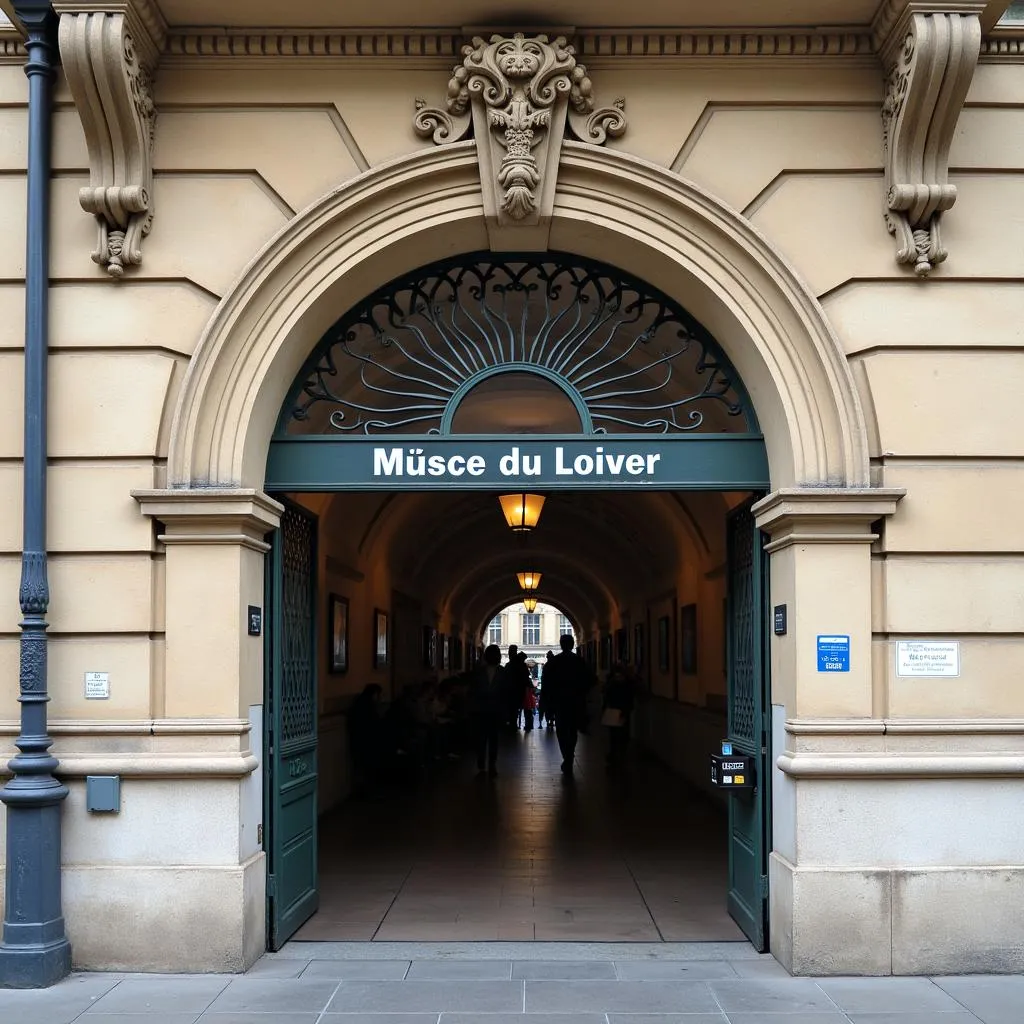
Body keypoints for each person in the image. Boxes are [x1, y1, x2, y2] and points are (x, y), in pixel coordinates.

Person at [542, 634, 595, 777]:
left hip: (559, 702)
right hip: (576, 701)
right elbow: (590, 680)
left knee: (561, 730)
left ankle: (567, 755)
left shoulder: (554, 662)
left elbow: (546, 683)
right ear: (572, 645)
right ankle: (569, 755)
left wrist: (547, 702)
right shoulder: (580, 661)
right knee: (572, 731)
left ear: (561, 644)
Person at [471, 644, 505, 777]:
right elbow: (473, 691)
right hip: (481, 710)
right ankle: (481, 765)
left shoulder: (503, 672)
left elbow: (506, 692)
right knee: (481, 739)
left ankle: (491, 764)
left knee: (493, 739)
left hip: (495, 711)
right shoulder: (478, 672)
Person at [602, 663, 635, 773]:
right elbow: (630, 696)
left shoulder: (611, 682)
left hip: (613, 710)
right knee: (624, 734)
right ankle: (621, 755)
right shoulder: (628, 682)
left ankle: (614, 755)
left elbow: (606, 695)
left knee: (614, 735)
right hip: (623, 710)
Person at [538, 650, 555, 728]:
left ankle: (548, 720)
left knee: (547, 706)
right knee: (551, 706)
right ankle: (551, 720)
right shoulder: (554, 665)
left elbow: (543, 678)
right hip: (553, 690)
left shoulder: (546, 666)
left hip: (546, 689)